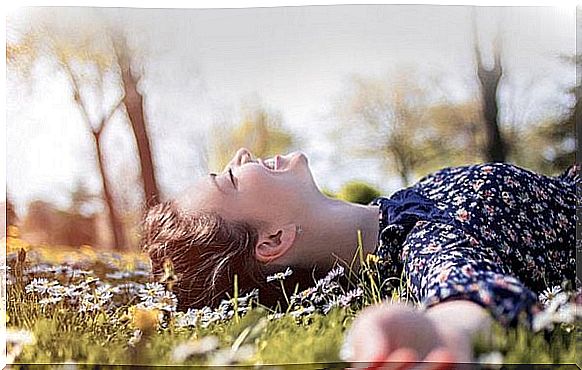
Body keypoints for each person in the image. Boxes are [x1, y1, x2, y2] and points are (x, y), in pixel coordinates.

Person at [141, 147, 577, 366]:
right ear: (272, 240)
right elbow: (467, 292)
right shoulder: (417, 242)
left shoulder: (400, 211)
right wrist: (437, 337)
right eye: (231, 179)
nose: (241, 155)